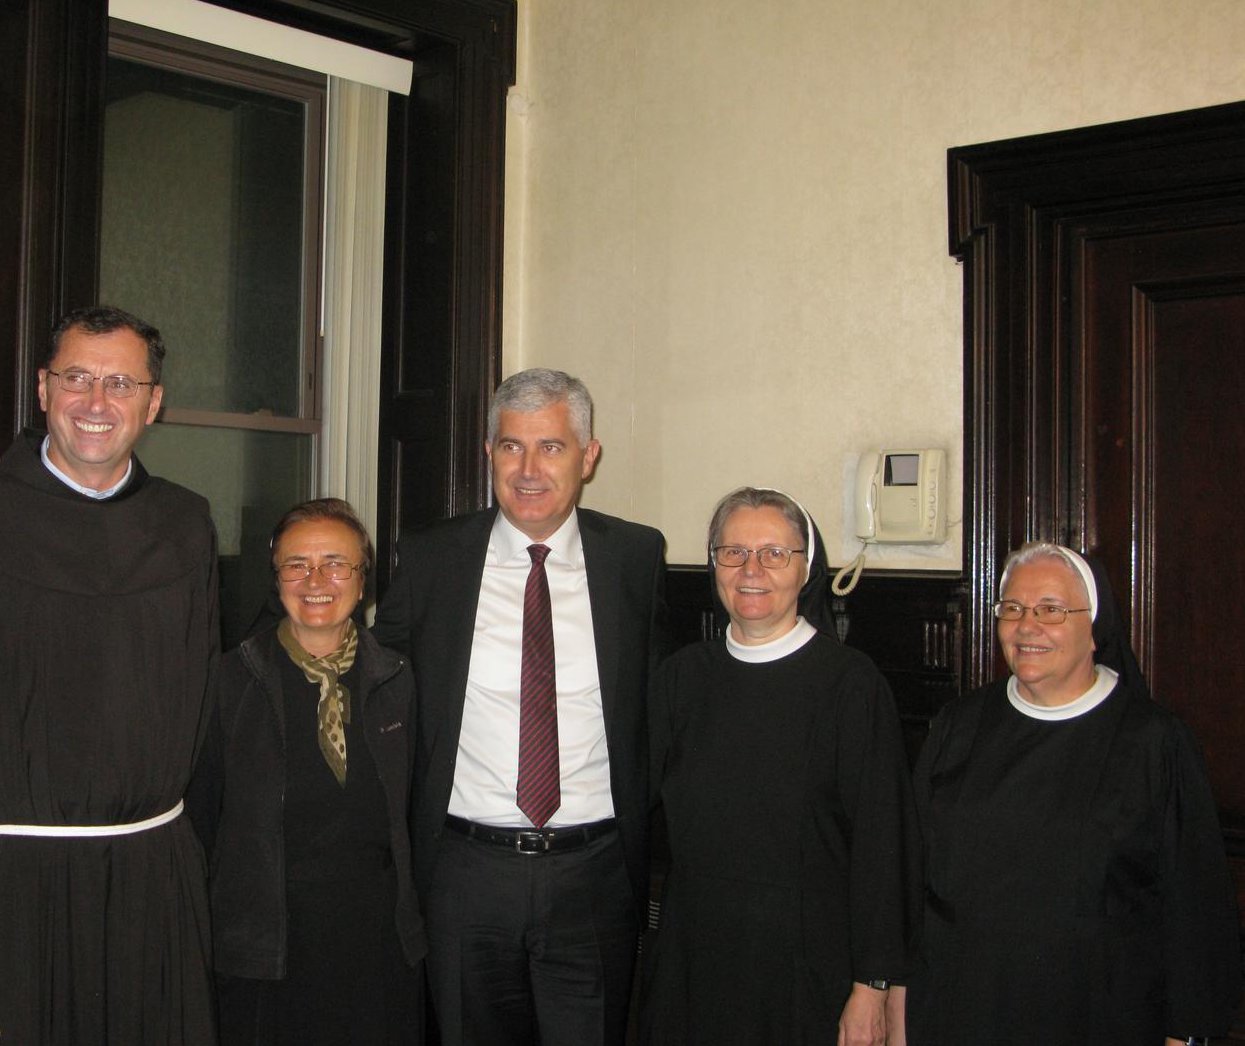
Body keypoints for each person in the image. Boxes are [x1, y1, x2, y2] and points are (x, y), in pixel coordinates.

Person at [0, 306, 218, 1045]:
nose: (97, 402)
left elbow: (197, 705)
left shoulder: (186, 525)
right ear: (43, 389)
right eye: (76, 378)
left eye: (121, 383)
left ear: (154, 403)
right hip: (2, 872)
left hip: (144, 874)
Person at [373, 367, 669, 1046]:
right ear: (489, 453)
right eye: (511, 446)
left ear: (588, 457)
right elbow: (374, 679)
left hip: (595, 874)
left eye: (552, 447)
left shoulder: (635, 557)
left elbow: (661, 702)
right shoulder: (433, 559)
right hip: (465, 873)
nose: (529, 469)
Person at [906, 542, 1241, 1046]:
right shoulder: (960, 725)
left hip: (1098, 1013)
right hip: (961, 1010)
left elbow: (1194, 902)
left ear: (1094, 629)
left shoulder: (1153, 741)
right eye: (1013, 608)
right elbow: (912, 875)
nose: (1027, 626)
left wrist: (1188, 1030)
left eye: (1051, 610)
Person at [642, 487, 916, 1046]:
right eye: (733, 552)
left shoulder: (850, 685)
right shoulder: (680, 678)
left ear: (805, 568)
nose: (751, 570)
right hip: (694, 953)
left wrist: (872, 984)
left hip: (808, 963)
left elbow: (883, 844)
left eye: (774, 553)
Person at [187, 497, 425, 1044]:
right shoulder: (227, 684)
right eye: (296, 565)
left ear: (362, 582)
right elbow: (199, 826)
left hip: (377, 952)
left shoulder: (400, 682)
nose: (316, 580)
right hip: (265, 955)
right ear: (276, 580)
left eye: (335, 564)